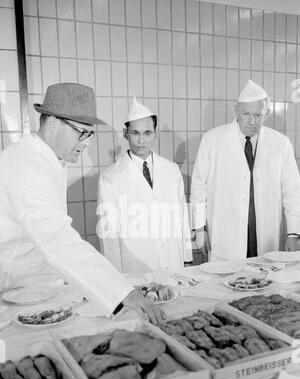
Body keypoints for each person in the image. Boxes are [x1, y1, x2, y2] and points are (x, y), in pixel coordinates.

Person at [0, 83, 163, 324]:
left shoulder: (47, 159)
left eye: (90, 134)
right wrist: (124, 293)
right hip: (15, 293)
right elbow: (59, 240)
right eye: (81, 132)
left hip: (36, 286)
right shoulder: (28, 167)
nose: (86, 142)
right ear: (54, 124)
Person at [190, 79, 300, 261]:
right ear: (236, 111)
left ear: (267, 114)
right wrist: (199, 229)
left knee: (263, 282)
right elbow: (198, 187)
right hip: (225, 234)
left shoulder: (281, 144)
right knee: (223, 282)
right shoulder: (212, 140)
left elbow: (293, 192)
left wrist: (294, 233)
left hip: (265, 235)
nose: (251, 121)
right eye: (246, 114)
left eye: (258, 115)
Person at [97, 97, 192, 273]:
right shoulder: (110, 178)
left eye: (147, 133)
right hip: (135, 267)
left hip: (173, 261)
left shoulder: (171, 170)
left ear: (155, 134)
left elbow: (182, 218)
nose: (141, 140)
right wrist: (117, 278)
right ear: (126, 134)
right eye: (135, 133)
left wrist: (186, 259)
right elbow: (109, 236)